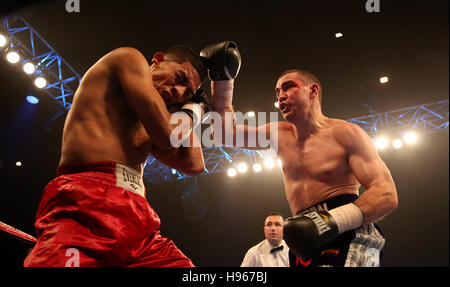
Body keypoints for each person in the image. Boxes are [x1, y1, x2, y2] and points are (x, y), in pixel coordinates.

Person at [201, 42, 398, 267]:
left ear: (312, 91)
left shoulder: (345, 133)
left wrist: (331, 220)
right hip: (303, 238)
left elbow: (386, 194)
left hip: (349, 230)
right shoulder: (279, 134)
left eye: (288, 87)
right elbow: (224, 134)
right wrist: (222, 80)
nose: (281, 97)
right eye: (277, 92)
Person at [24, 45, 209, 267]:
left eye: (187, 93)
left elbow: (194, 165)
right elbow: (168, 137)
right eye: (179, 78)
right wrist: (193, 110)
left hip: (139, 217)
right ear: (158, 59)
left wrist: (193, 107)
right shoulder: (128, 58)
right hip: (85, 201)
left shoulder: (158, 118)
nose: (178, 92)